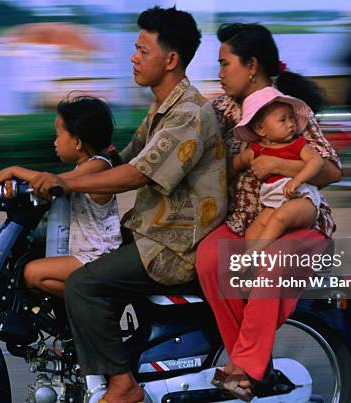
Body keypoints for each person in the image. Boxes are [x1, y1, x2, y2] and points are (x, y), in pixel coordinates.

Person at [27, 7, 227, 403]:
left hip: (173, 246)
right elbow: (119, 159)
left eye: (142, 50)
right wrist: (36, 176)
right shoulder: (161, 108)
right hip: (149, 233)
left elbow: (136, 175)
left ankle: (122, 386)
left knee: (84, 284)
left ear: (170, 60)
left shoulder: (188, 114)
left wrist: (65, 181)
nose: (133, 57)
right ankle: (91, 356)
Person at [195, 23, 342, 401]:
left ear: (252, 65)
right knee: (211, 258)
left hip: (298, 220)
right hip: (245, 224)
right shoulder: (222, 109)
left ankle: (241, 367)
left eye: (225, 63)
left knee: (273, 261)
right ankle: (248, 367)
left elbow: (331, 169)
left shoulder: (289, 109)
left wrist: (279, 167)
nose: (220, 72)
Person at [0, 96, 123, 297]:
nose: (55, 142)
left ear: (77, 141)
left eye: (58, 135)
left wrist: (14, 170)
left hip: (97, 258)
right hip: (84, 255)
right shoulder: (85, 167)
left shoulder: (98, 166)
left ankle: (94, 300)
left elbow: (55, 182)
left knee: (33, 273)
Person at [228, 87, 325, 253]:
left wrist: (298, 180)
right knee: (253, 231)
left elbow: (317, 161)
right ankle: (253, 270)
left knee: (280, 218)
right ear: (260, 129)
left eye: (291, 118)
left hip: (303, 198)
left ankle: (254, 252)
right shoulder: (255, 150)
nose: (291, 124)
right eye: (283, 120)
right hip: (273, 204)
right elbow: (235, 164)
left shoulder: (297, 144)